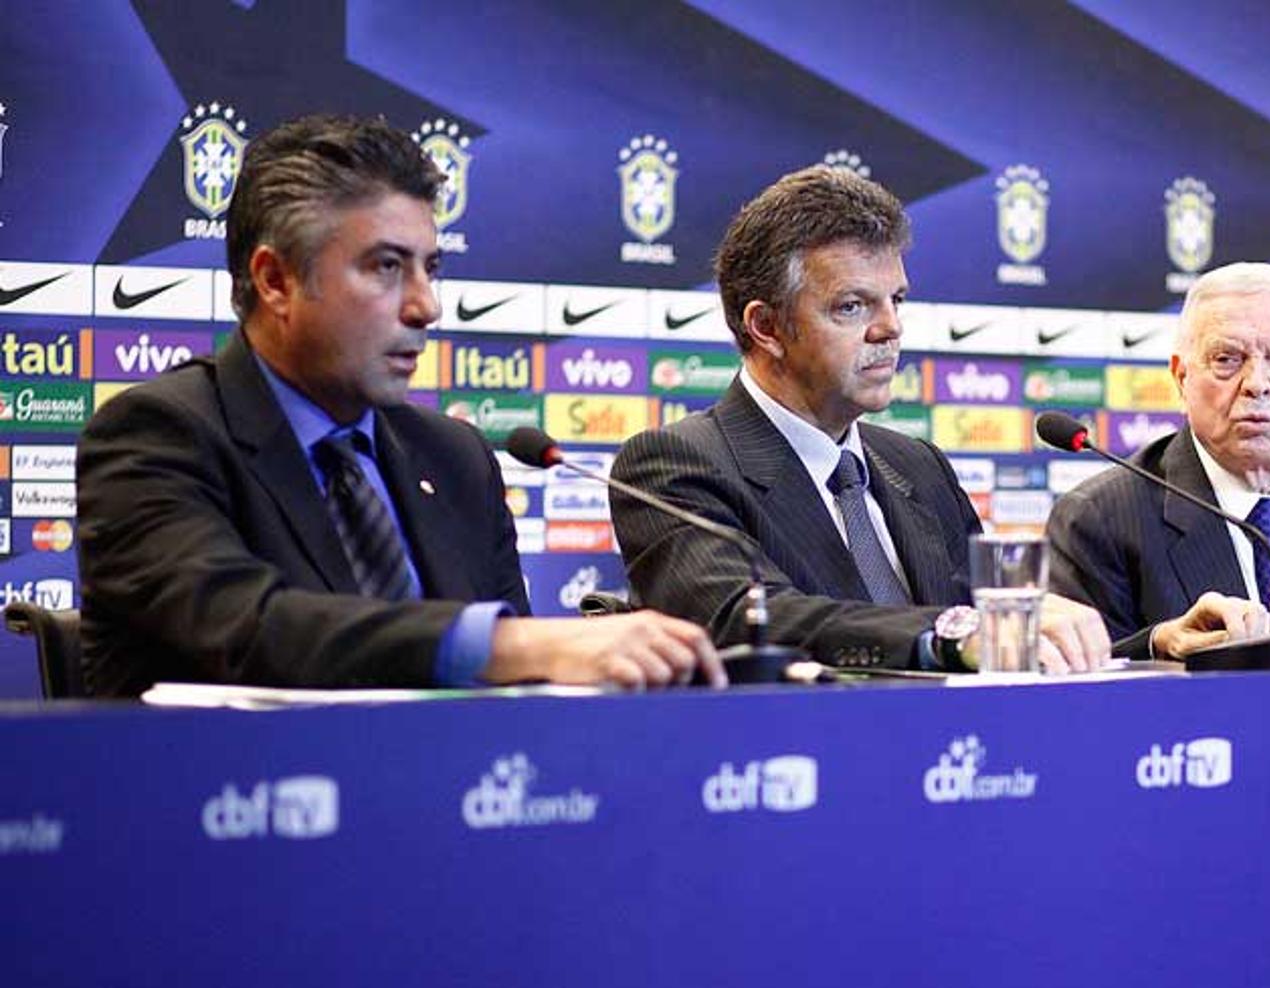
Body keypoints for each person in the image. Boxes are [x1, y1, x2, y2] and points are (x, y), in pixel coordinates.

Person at [78, 114, 722, 697]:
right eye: (386, 268)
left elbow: (517, 696)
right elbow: (250, 627)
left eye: (430, 268)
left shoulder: (455, 456)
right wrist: (509, 645)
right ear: (276, 280)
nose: (426, 306)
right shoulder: (157, 436)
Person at [610, 164, 1108, 672]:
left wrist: (1150, 643)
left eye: (896, 300)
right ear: (766, 326)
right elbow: (742, 618)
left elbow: (994, 630)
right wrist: (948, 634)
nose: (890, 328)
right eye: (853, 307)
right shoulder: (675, 464)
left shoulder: (919, 466)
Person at [1047, 263, 1270, 658]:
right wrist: (1156, 647)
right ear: (1180, 376)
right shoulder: (1100, 522)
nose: (1256, 384)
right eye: (1227, 359)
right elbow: (1085, 687)